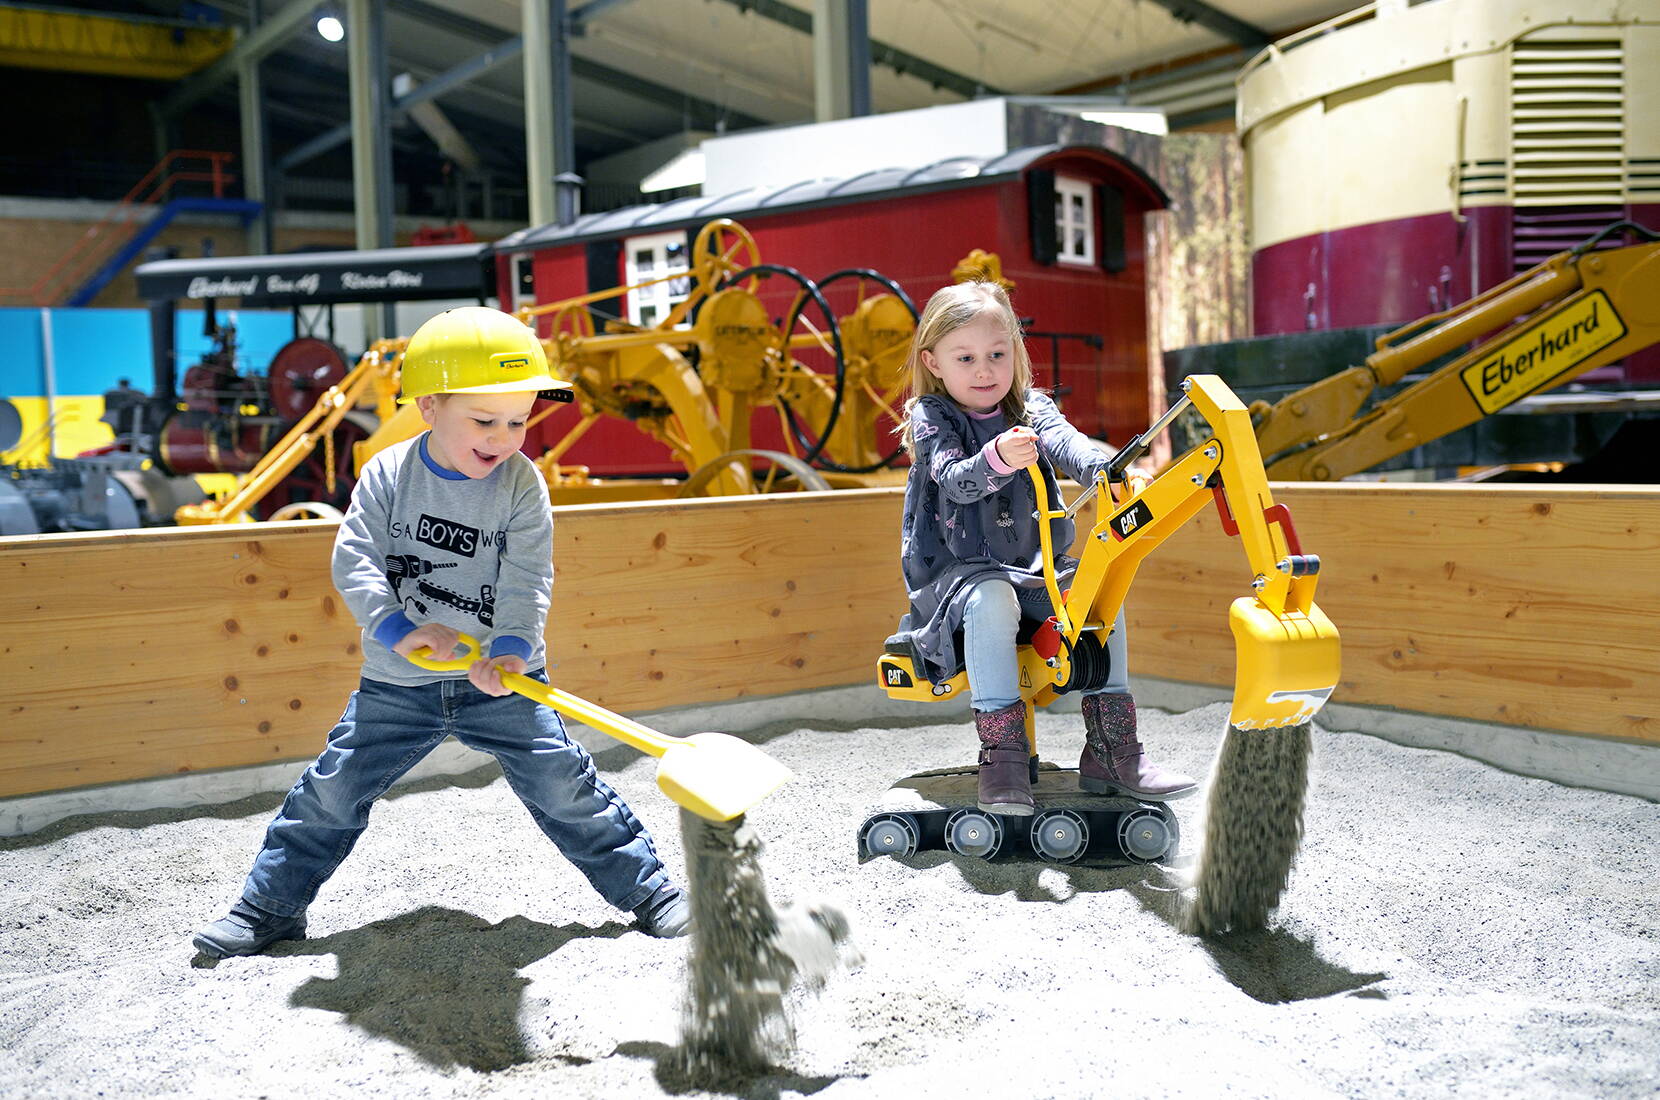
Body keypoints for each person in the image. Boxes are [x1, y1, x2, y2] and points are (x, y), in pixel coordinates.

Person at [194, 307, 689, 959]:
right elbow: (355, 559)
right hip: (398, 686)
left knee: (565, 786)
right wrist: (398, 628)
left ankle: (651, 893)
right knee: (334, 789)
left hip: (504, 686)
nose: (503, 437)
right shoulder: (388, 476)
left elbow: (527, 577)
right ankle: (269, 909)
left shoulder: (521, 484)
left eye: (518, 421)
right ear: (429, 407)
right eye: (484, 421)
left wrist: (510, 647)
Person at [890, 281, 1196, 815]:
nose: (984, 371)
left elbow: (1069, 444)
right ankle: (1003, 756)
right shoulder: (933, 418)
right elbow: (955, 481)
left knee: (1100, 587)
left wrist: (1109, 472)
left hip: (1034, 569)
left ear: (1016, 353)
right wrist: (997, 458)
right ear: (933, 362)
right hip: (958, 575)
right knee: (992, 599)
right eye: (966, 358)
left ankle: (1112, 748)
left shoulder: (1030, 407)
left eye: (997, 355)